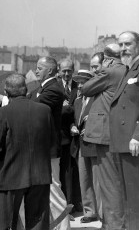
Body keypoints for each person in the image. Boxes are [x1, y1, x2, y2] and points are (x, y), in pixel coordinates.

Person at [0, 57, 71, 230]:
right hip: (39, 168)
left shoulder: (52, 89)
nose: (36, 70)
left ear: (50, 70)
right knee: (40, 212)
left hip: (28, 166)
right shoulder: (42, 92)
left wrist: (1, 99)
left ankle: (63, 228)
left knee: (54, 196)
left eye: (40, 68)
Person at [81, 43, 126, 230]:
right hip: (116, 131)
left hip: (104, 133)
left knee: (109, 184)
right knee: (114, 182)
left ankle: (114, 225)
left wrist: (100, 72)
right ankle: (112, 223)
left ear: (107, 59)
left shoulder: (109, 72)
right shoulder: (125, 70)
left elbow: (86, 88)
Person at [109, 31, 139, 230]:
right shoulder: (129, 70)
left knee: (135, 195)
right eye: (120, 45)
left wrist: (137, 136)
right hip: (121, 142)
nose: (123, 49)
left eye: (127, 44)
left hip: (133, 142)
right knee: (127, 196)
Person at [70, 69, 102, 224]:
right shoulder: (77, 101)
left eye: (84, 82)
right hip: (80, 145)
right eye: (79, 83)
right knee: (84, 179)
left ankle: (102, 212)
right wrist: (72, 127)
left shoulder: (98, 99)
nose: (81, 86)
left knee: (97, 179)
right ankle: (89, 212)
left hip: (95, 145)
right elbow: (73, 119)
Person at [58, 59, 81, 214]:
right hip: (59, 137)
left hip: (75, 138)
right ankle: (62, 208)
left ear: (73, 71)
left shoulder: (78, 87)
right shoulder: (55, 88)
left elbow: (80, 109)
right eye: (64, 71)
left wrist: (69, 110)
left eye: (69, 71)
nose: (66, 74)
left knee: (72, 173)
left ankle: (72, 206)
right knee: (60, 174)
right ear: (59, 71)